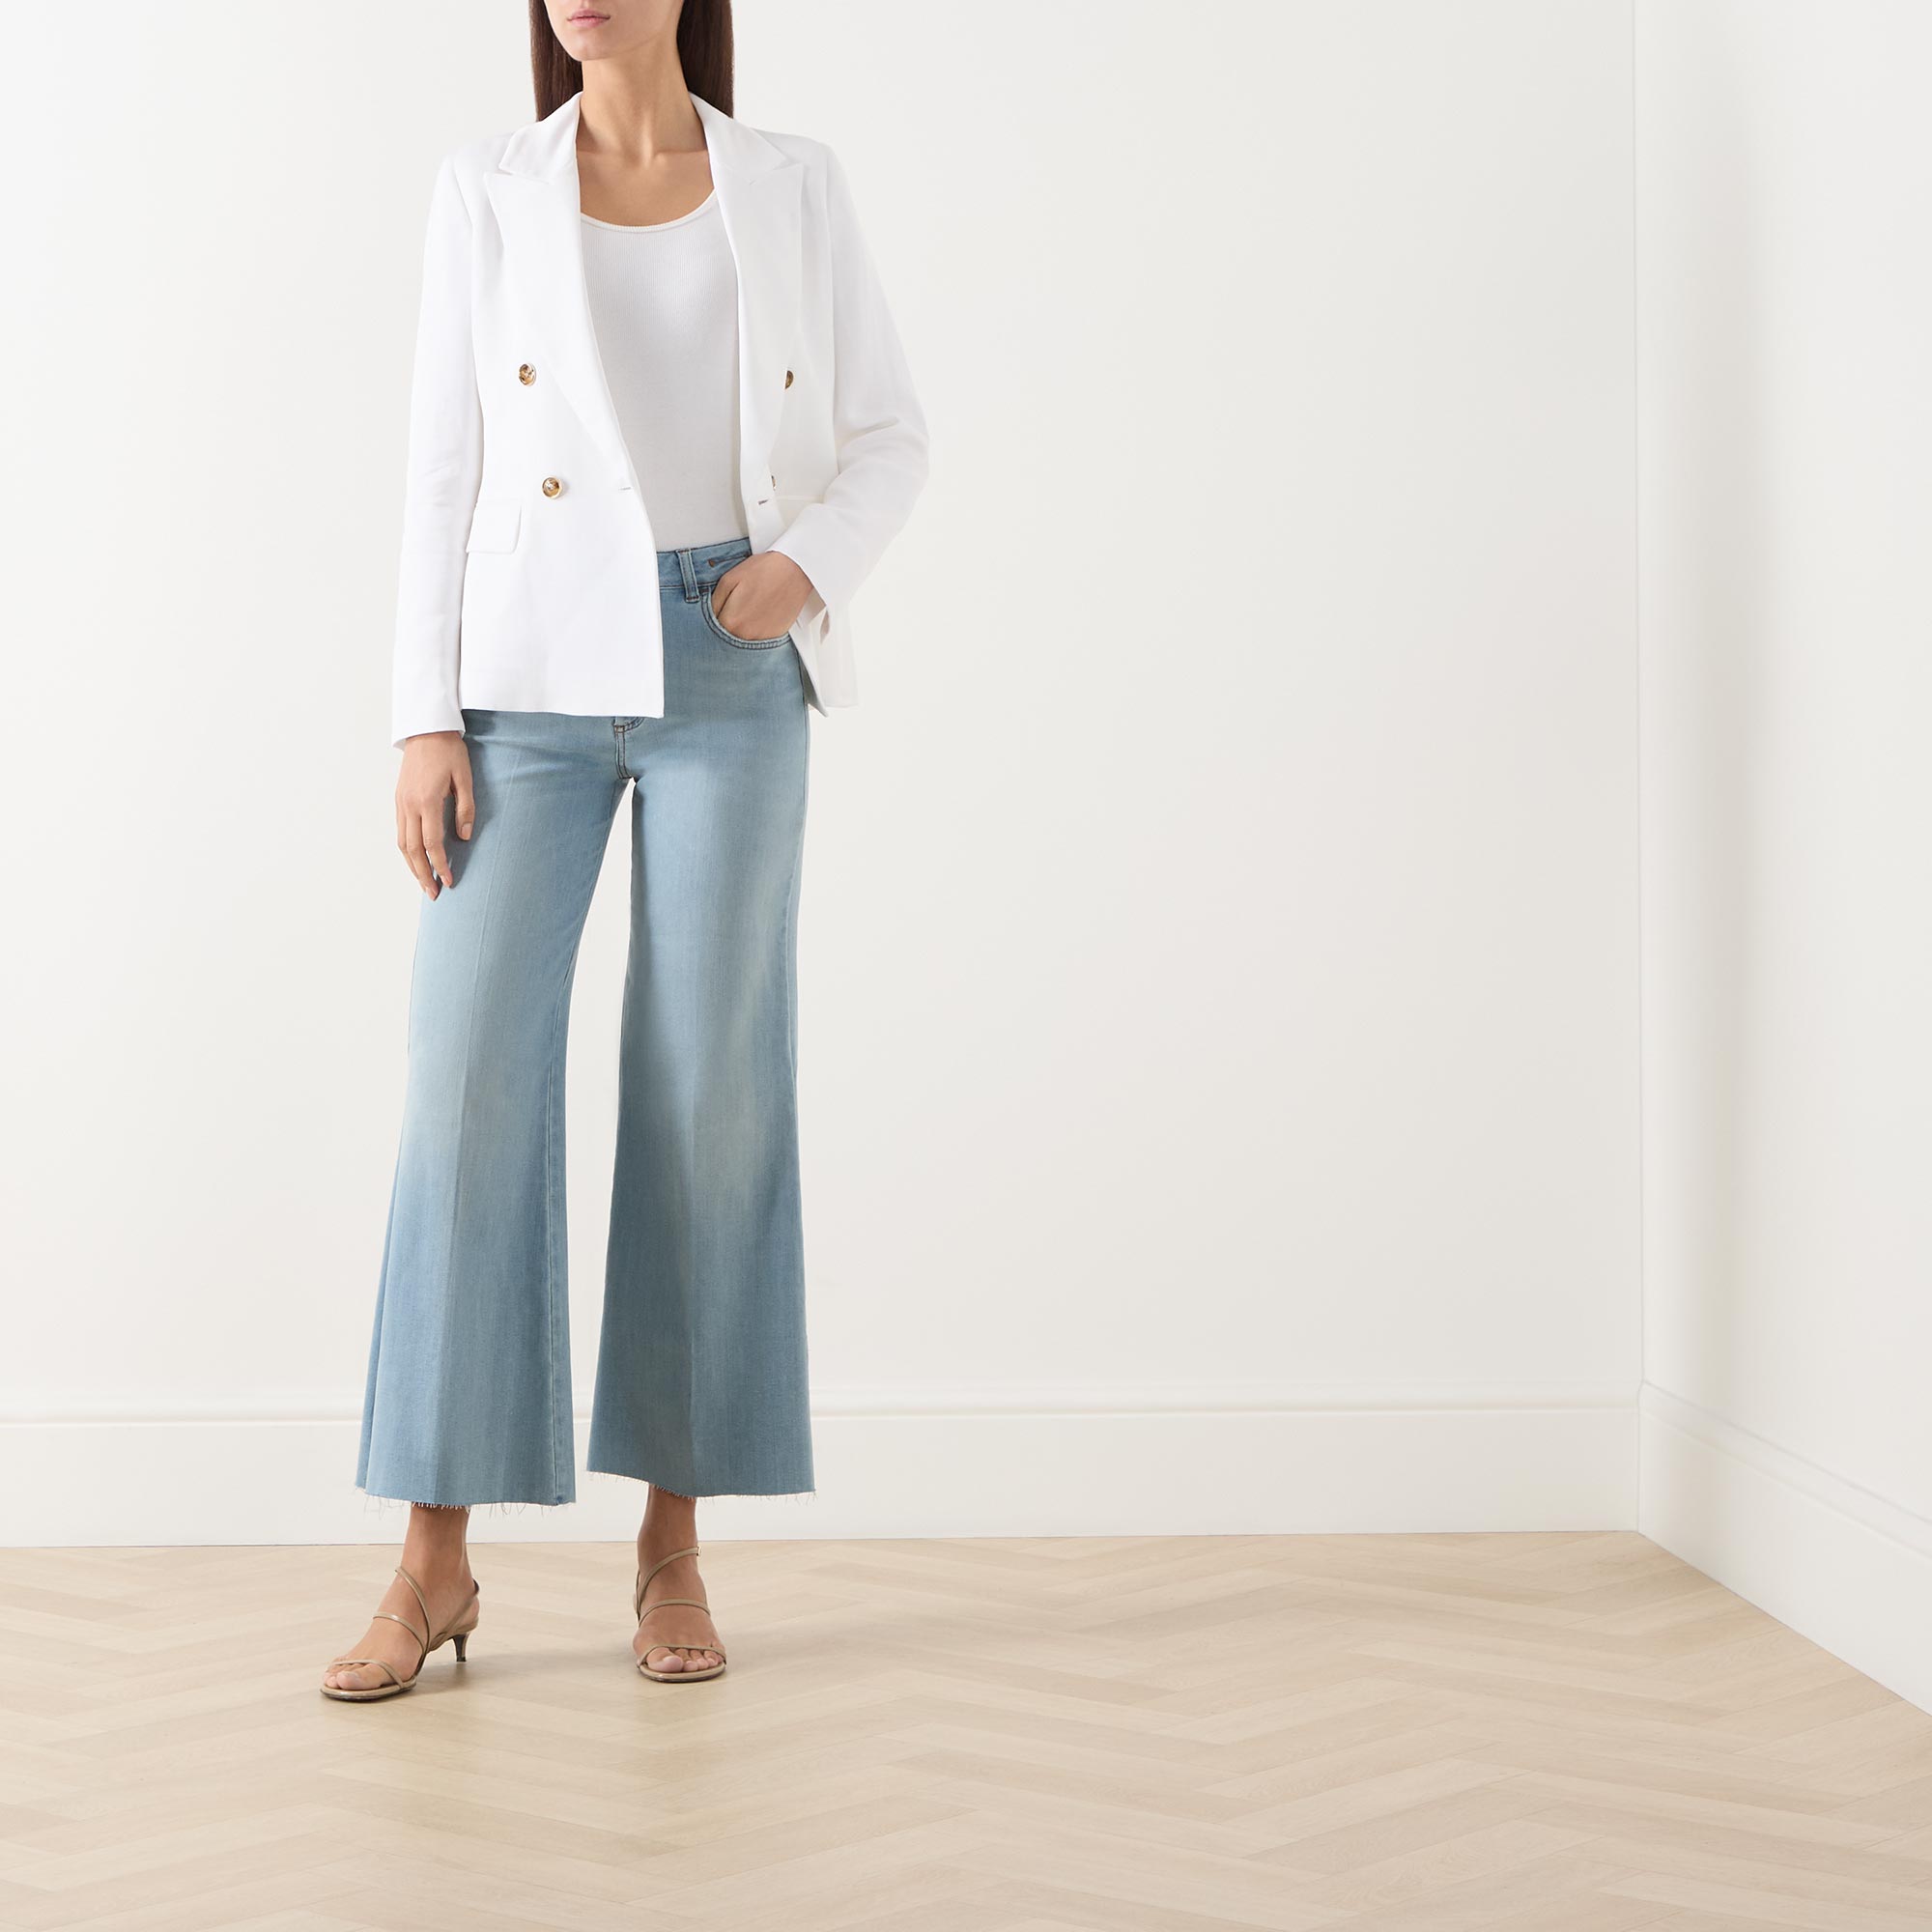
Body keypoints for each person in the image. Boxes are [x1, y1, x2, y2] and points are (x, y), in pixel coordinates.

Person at [321, 0, 927, 1700]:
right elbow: (440, 464)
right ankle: (432, 1560)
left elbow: (891, 433)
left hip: (731, 663)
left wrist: (805, 568)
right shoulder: (486, 186)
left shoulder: (793, 182)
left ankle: (671, 1546)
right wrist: (421, 718)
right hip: (521, 682)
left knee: (705, 1088)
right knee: (466, 1085)